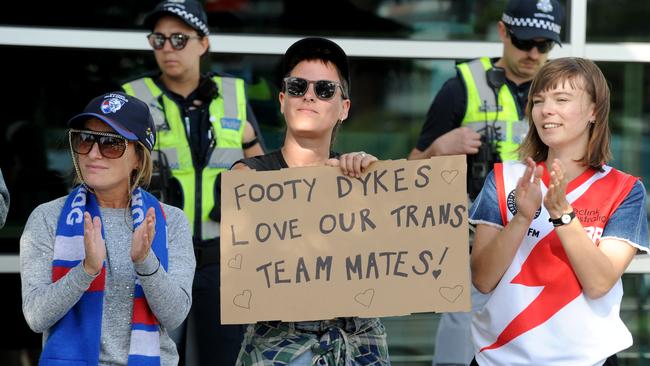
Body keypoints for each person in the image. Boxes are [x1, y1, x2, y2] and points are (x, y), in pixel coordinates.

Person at [407, 1, 564, 364]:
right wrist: (438, 149)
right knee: (463, 328)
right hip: (476, 233)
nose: (533, 54)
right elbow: (412, 170)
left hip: (544, 232)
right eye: (525, 42)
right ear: (502, 32)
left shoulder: (565, 92)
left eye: (545, 46)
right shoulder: (460, 88)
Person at [469, 57, 649, 365]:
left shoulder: (624, 188)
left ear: (594, 111)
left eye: (561, 99)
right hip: (499, 359)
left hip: (586, 360)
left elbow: (598, 283)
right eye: (538, 101)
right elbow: (482, 279)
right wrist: (522, 218)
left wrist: (562, 213)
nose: (546, 110)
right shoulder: (504, 179)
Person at [121, 1, 265, 364]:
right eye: (159, 39)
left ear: (203, 43)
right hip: (157, 255)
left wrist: (247, 142)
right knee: (152, 357)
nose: (168, 48)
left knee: (225, 357)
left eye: (179, 39)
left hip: (224, 259)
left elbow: (265, 177)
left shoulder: (233, 97)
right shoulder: (133, 99)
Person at [232, 37, 389, 366]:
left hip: (357, 343)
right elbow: (251, 265)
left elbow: (384, 266)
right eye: (297, 86)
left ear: (344, 108)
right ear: (282, 100)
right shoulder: (250, 175)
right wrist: (320, 191)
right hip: (278, 346)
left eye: (325, 90)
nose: (308, 95)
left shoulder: (359, 177)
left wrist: (372, 188)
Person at [20, 91, 195, 365]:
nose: (93, 153)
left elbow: (174, 315)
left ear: (139, 157)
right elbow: (35, 316)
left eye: (111, 144)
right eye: (85, 139)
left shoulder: (170, 220)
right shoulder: (47, 217)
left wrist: (145, 262)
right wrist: (87, 270)